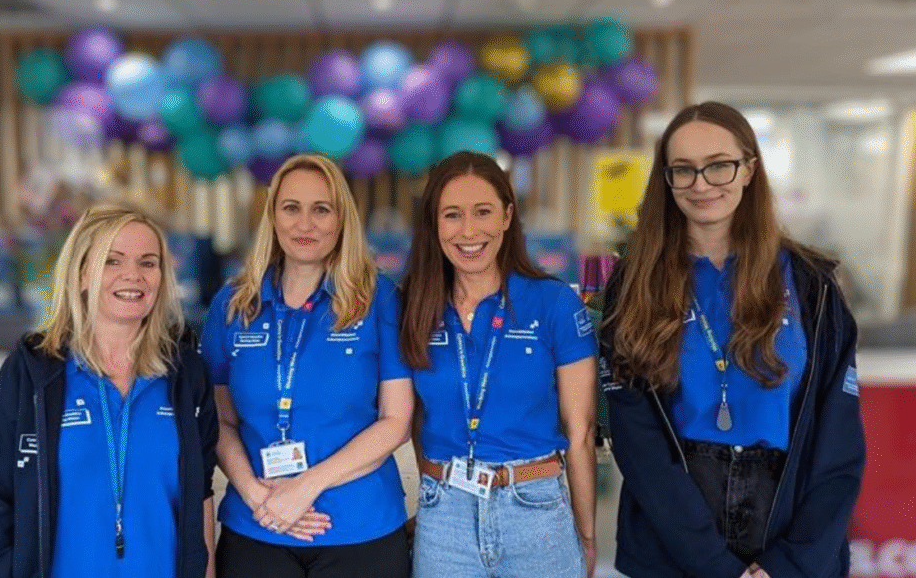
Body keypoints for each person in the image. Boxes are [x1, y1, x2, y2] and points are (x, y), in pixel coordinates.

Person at [599, 101, 865, 578]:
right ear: (666, 180)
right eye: (683, 170)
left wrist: (790, 563)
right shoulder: (635, 283)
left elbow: (838, 443)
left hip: (785, 522)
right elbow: (637, 440)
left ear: (749, 169)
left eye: (718, 165)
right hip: (674, 531)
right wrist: (713, 565)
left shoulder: (813, 285)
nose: (701, 185)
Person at [0, 205, 219, 578]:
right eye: (113, 261)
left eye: (148, 263)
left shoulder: (186, 374)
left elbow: (200, 495)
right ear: (82, 274)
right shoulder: (33, 372)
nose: (133, 275)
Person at [200, 154, 413, 578]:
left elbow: (396, 421)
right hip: (258, 525)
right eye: (291, 208)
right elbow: (219, 421)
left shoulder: (379, 300)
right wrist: (256, 495)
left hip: (359, 528)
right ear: (272, 216)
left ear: (341, 218)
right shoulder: (233, 306)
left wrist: (304, 488)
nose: (305, 224)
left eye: (321, 209)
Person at [399, 151, 598, 578]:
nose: (469, 231)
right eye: (452, 215)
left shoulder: (554, 304)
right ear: (434, 224)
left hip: (535, 510)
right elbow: (413, 418)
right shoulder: (414, 307)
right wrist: (434, 487)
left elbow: (580, 433)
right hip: (445, 518)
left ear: (507, 216)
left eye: (483, 211)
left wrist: (586, 534)